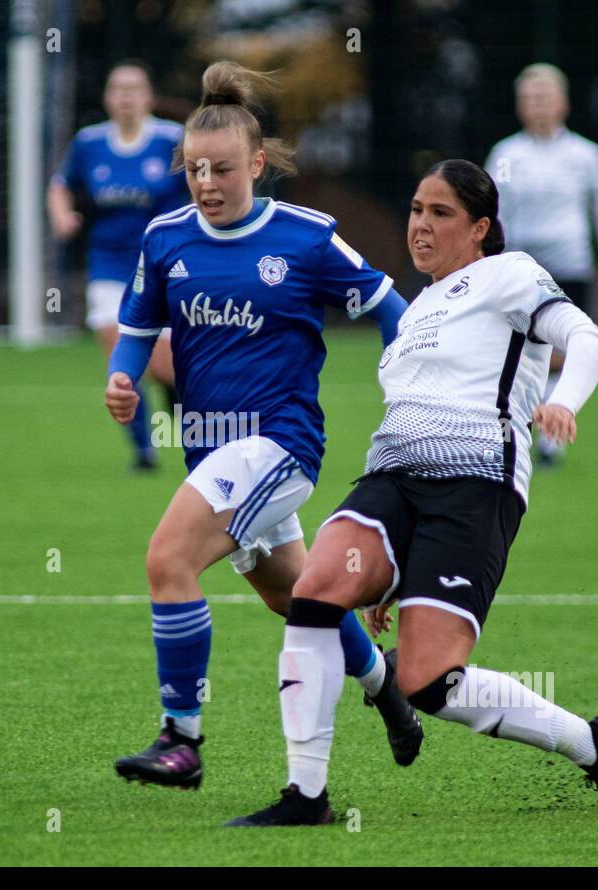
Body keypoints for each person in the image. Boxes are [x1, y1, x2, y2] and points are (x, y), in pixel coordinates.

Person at [227, 160, 598, 827]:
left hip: (475, 487)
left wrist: (563, 402)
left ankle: (594, 746)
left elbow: (586, 339)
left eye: (441, 213)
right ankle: (305, 797)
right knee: (313, 592)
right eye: (416, 209)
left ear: (480, 228)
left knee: (427, 683)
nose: (421, 225)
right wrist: (388, 574)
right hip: (390, 480)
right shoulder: (416, 307)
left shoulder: (511, 274)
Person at [105, 61, 419, 790]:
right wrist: (122, 378)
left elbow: (388, 308)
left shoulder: (306, 239)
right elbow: (134, 328)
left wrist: (410, 385)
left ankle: (181, 741)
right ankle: (389, 691)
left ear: (258, 164)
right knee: (297, 596)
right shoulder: (165, 238)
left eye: (221, 169)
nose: (206, 184)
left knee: (167, 562)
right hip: (209, 451)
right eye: (193, 171)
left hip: (279, 444)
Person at [485, 63, 598, 465]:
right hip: (521, 269)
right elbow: (494, 215)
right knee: (517, 351)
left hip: (571, 265)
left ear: (563, 103)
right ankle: (515, 430)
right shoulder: (506, 153)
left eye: (545, 98)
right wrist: (487, 265)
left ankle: (550, 440)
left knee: (561, 352)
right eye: (530, 99)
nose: (538, 106)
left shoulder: (586, 155)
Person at [49, 62, 186, 470]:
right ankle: (144, 451)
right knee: (123, 359)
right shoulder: (90, 142)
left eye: (134, 88)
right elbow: (60, 185)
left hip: (163, 265)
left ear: (148, 96)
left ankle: (186, 414)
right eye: (118, 89)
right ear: (108, 98)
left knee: (166, 367)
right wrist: (62, 216)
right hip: (108, 265)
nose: (126, 97)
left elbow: (202, 184)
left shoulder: (171, 139)